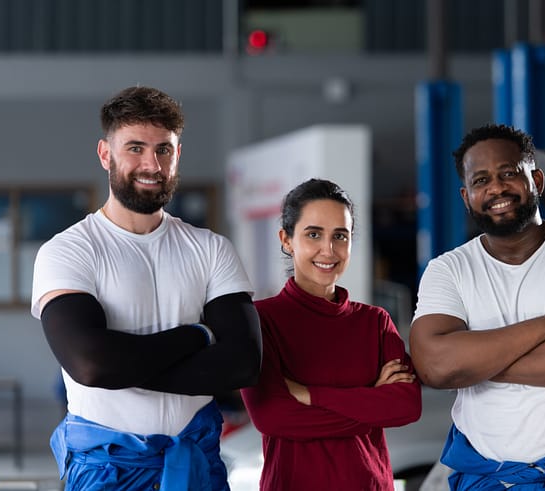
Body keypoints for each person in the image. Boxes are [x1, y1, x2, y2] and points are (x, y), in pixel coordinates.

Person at [30, 85, 262, 491]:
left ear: (177, 155)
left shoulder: (210, 249)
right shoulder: (68, 252)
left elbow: (243, 364)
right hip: (108, 472)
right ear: (106, 154)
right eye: (135, 148)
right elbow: (92, 365)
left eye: (164, 150)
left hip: (195, 467)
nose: (151, 164)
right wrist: (199, 335)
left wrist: (126, 364)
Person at [409, 124, 545, 490]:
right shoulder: (448, 270)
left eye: (508, 173)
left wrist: (474, 362)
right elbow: (434, 367)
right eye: (481, 180)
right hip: (487, 481)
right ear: (466, 196)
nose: (496, 188)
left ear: (537, 180)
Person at [240, 178, 422, 490]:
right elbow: (272, 416)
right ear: (286, 239)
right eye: (314, 234)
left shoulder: (375, 322)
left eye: (340, 236)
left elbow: (406, 406)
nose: (329, 249)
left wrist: (310, 395)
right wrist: (373, 403)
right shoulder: (259, 320)